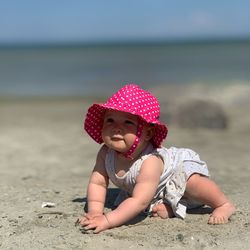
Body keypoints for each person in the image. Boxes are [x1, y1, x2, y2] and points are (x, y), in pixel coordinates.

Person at [78, 84, 235, 233]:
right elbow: (97, 183)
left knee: (193, 183)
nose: (117, 127)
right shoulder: (106, 153)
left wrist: (107, 221)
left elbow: (139, 201)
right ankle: (169, 204)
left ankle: (223, 204)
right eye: (110, 120)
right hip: (152, 191)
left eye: (128, 122)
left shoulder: (150, 161)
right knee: (154, 208)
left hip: (176, 175)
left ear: (147, 133)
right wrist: (95, 212)